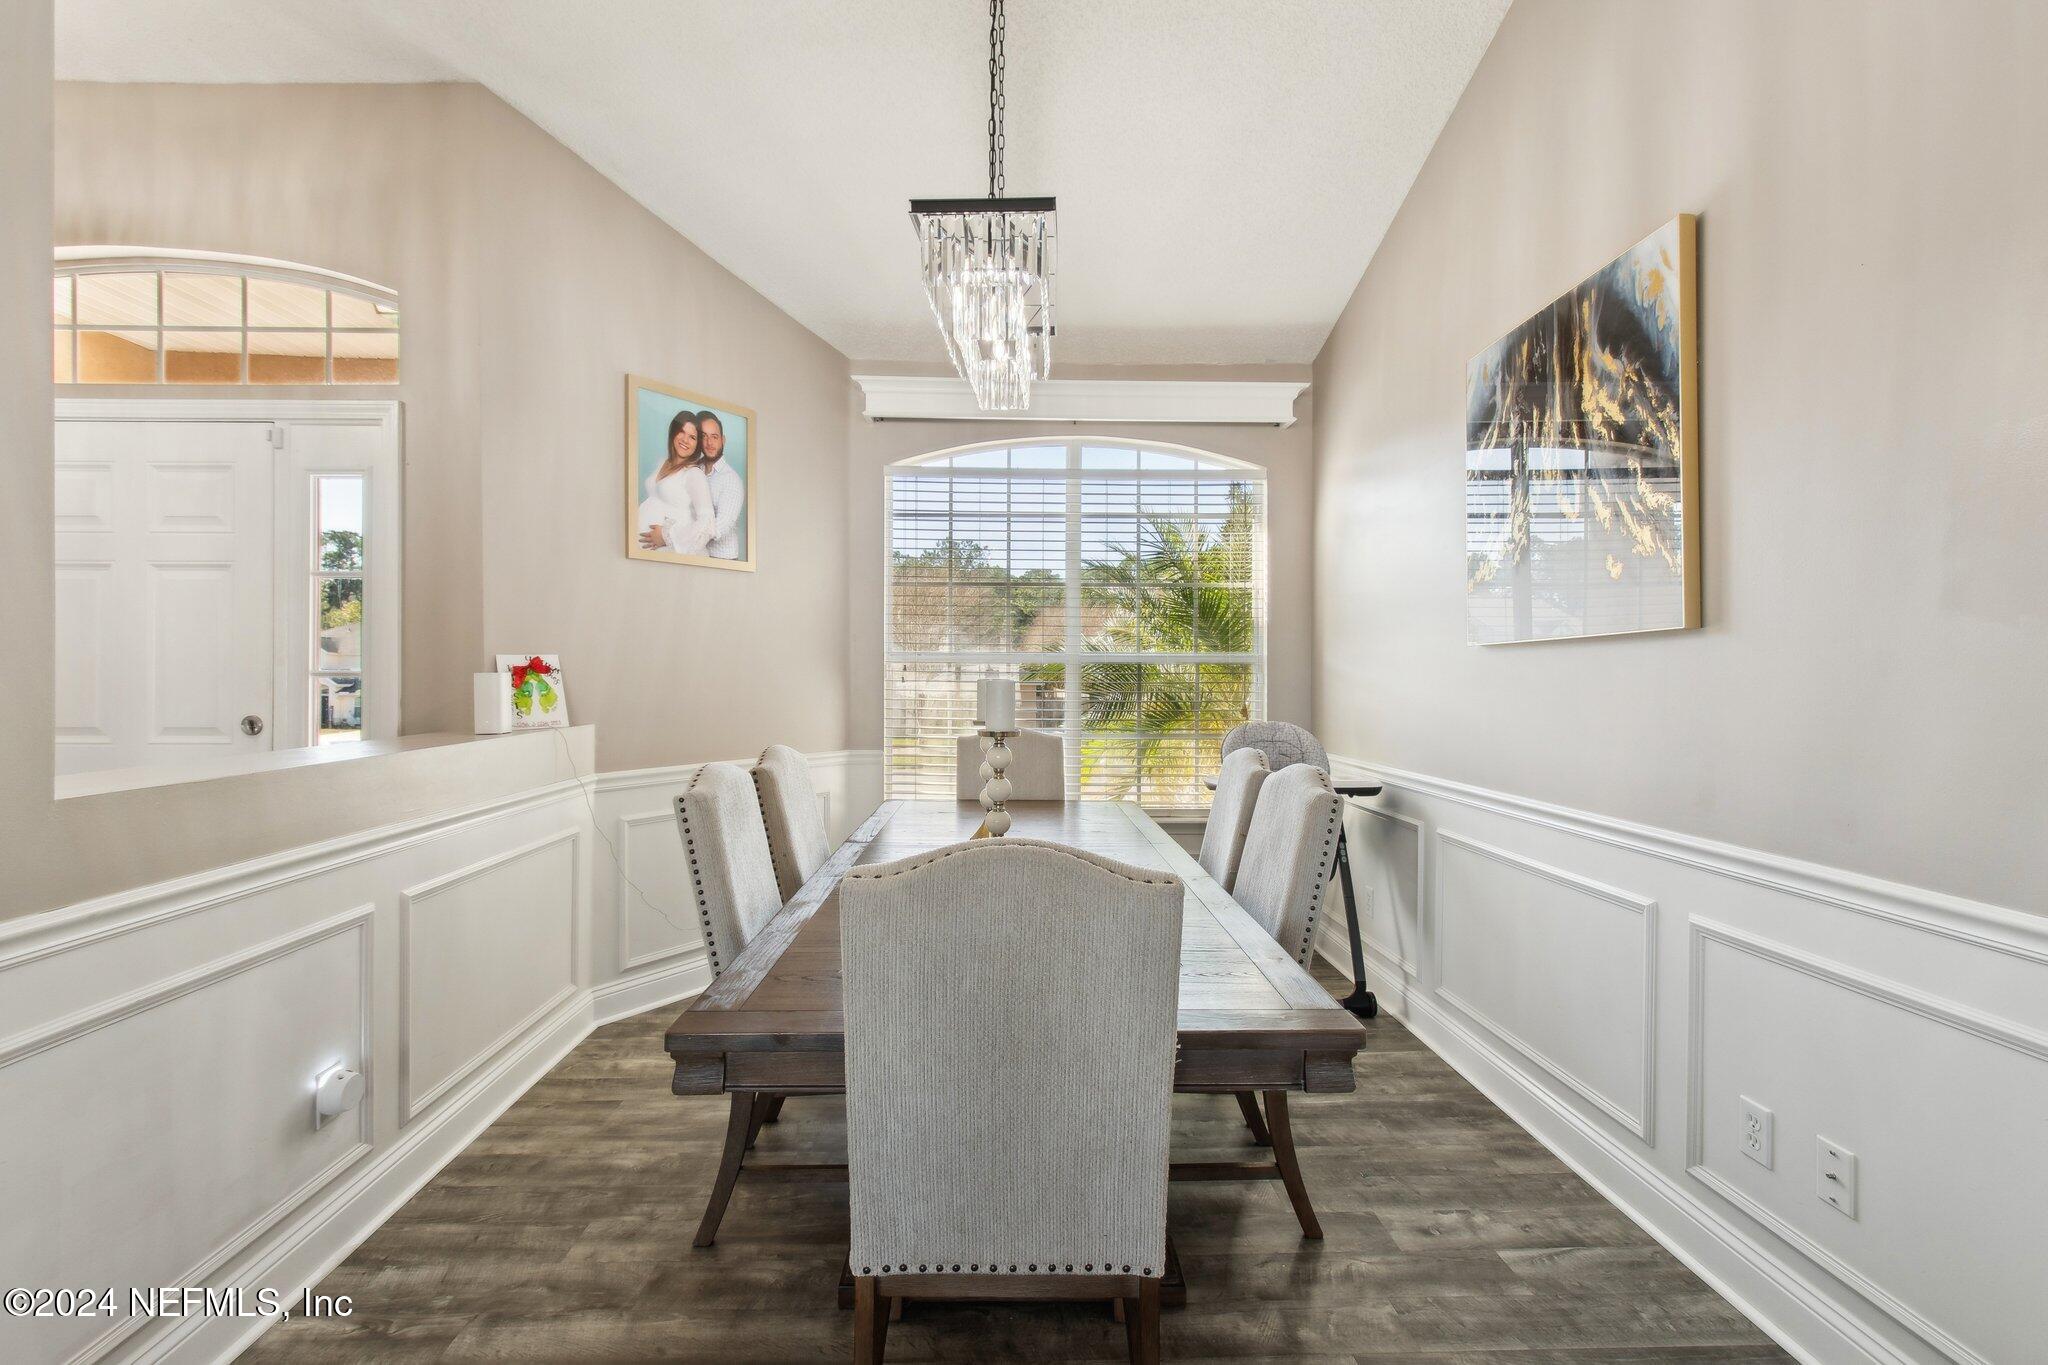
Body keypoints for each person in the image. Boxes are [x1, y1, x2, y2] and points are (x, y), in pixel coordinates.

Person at [636, 411, 714, 555]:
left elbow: (707, 523)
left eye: (692, 437)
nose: (685, 440)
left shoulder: (694, 474)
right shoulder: (663, 462)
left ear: (697, 445)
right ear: (674, 432)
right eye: (682, 432)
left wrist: (666, 536)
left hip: (671, 555)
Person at [694, 410, 746, 560]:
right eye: (704, 437)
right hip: (697, 556)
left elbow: (719, 527)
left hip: (722, 560)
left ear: (723, 440)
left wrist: (670, 536)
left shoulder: (731, 479)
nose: (709, 443)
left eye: (714, 437)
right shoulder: (695, 470)